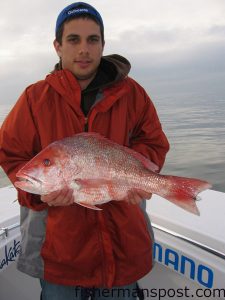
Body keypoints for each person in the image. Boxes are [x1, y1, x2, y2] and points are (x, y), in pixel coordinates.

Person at [0, 2, 169, 300]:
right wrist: (39, 196)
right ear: (58, 46)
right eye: (73, 40)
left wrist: (136, 175)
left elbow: (153, 142)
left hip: (122, 249)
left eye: (92, 40)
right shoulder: (33, 98)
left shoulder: (133, 94)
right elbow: (12, 157)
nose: (83, 49)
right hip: (60, 255)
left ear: (103, 44)